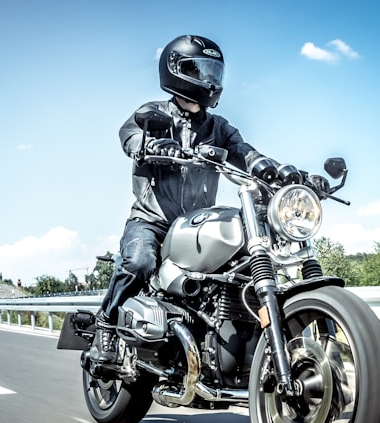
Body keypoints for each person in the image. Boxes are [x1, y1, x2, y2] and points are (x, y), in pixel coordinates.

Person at [90, 34, 278, 364]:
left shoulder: (218, 127)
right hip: (153, 220)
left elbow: (244, 152)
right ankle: (106, 322)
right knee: (139, 262)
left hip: (197, 226)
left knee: (244, 261)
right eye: (200, 70)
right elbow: (130, 134)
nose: (209, 80)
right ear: (176, 71)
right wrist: (147, 146)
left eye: (213, 72)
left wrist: (275, 170)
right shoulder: (153, 113)